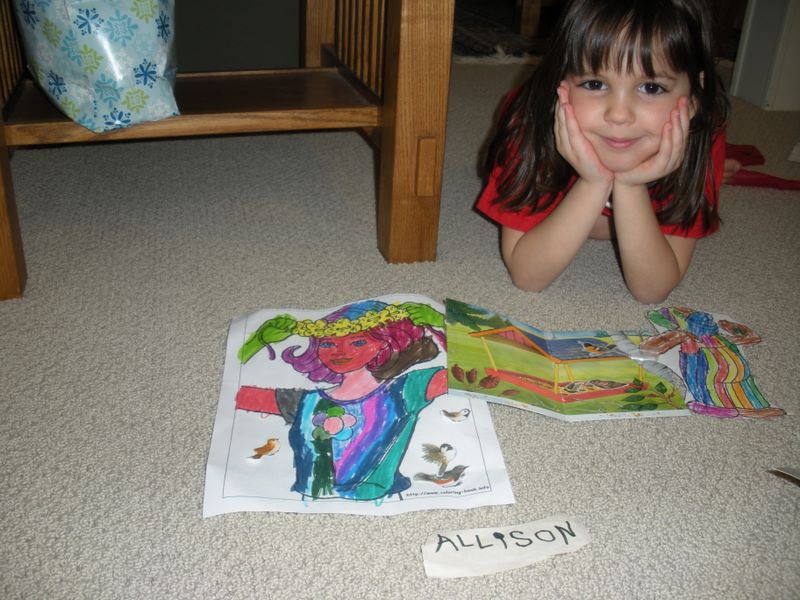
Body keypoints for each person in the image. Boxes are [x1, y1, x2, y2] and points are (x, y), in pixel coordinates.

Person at [477, 0, 730, 303]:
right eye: (595, 83)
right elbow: (528, 276)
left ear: (693, 99)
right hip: (527, 111)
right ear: (561, 82)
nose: (619, 114)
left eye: (651, 88)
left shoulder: (703, 134)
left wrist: (630, 186)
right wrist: (593, 182)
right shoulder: (528, 124)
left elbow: (652, 290)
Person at [234, 300, 448, 502]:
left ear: (385, 345)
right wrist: (257, 341)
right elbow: (236, 394)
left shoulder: (406, 390)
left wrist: (443, 324)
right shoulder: (306, 402)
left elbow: (465, 376)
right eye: (328, 343)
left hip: (379, 501)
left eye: (358, 342)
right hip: (309, 503)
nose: (339, 351)